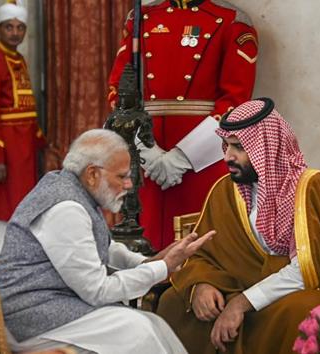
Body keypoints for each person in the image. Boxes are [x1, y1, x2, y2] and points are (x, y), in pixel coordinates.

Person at [157, 98, 320, 353]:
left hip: (299, 290)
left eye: (238, 148)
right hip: (241, 284)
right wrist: (201, 285)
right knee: (174, 302)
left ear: (267, 148)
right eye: (226, 147)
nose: (227, 157)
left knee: (301, 313)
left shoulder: (310, 187)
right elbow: (203, 253)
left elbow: (308, 268)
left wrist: (243, 303)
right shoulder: (224, 190)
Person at [0, 129, 214, 353]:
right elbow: (96, 290)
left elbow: (103, 246)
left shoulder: (73, 188)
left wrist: (147, 262)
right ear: (93, 174)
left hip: (54, 303)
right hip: (28, 317)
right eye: (122, 176)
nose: (129, 185)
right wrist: (161, 268)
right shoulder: (66, 209)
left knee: (155, 325)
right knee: (137, 331)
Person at [108, 0, 258, 250]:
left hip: (202, 157)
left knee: (201, 245)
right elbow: (118, 90)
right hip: (148, 151)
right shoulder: (141, 18)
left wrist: (184, 156)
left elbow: (235, 101)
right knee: (145, 242)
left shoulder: (232, 21)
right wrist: (146, 151)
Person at [0, 0, 46, 257]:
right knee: (3, 213)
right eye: (8, 27)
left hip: (23, 153)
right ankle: (0, 270)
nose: (15, 32)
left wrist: (40, 143)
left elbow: (27, 107)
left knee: (22, 211)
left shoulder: (19, 59)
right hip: (4, 153)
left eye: (20, 27)